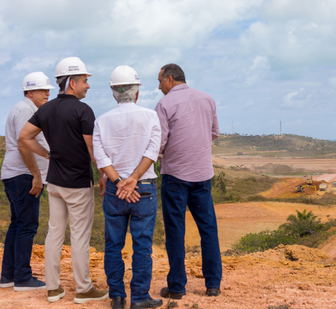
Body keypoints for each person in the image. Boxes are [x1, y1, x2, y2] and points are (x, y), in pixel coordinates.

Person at [18, 57, 108, 304]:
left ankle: (54, 289)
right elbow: (93, 150)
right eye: (85, 81)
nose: (88, 86)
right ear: (72, 82)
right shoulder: (83, 110)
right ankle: (83, 289)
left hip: (55, 182)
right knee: (79, 236)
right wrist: (102, 174)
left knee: (54, 234)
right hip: (78, 183)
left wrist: (48, 154)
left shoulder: (45, 109)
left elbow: (25, 136)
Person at [93, 65, 163, 309]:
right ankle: (140, 297)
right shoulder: (150, 116)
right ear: (137, 92)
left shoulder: (101, 121)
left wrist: (119, 182)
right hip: (143, 189)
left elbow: (100, 157)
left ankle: (117, 297)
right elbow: (153, 151)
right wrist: (133, 179)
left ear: (114, 92)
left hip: (115, 190)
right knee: (142, 245)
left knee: (113, 245)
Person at [154, 63, 221, 298]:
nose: (159, 86)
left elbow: (160, 142)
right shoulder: (207, 99)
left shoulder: (165, 104)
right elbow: (213, 132)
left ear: (170, 79)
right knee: (208, 230)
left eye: (160, 81)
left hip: (175, 176)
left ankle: (176, 287)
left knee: (175, 231)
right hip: (203, 174)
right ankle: (213, 285)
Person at [0, 72, 53, 291]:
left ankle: (9, 276)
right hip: (23, 176)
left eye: (48, 89)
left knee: (18, 224)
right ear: (29, 91)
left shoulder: (26, 109)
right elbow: (24, 144)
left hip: (17, 175)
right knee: (27, 226)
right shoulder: (25, 110)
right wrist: (37, 176)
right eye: (42, 90)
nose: (47, 93)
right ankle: (22, 277)